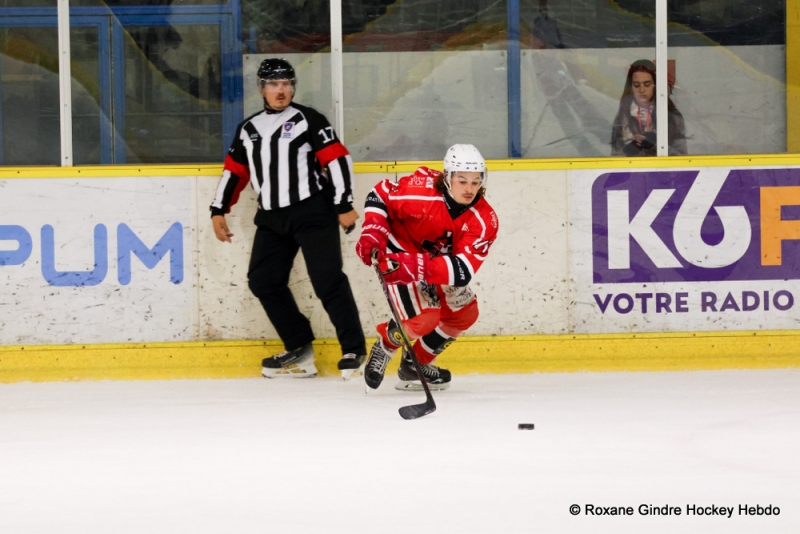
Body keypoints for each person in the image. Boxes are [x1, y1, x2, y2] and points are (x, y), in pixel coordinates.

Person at [210, 58, 366, 380]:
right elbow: (235, 172)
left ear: (293, 86)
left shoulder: (309, 119)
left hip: (313, 212)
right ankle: (300, 349)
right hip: (271, 216)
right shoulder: (248, 128)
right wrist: (218, 210)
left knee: (327, 280)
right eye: (273, 84)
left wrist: (343, 203)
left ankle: (353, 349)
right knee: (263, 281)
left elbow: (337, 160)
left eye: (286, 84)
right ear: (261, 89)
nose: (280, 90)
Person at [355, 144, 499, 391]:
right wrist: (373, 230)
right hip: (399, 253)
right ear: (448, 176)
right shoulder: (420, 190)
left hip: (434, 263)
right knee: (424, 320)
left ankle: (414, 364)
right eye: (462, 180)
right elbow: (380, 195)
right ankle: (386, 346)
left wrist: (419, 266)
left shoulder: (485, 219)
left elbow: (462, 270)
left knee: (464, 314)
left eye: (476, 182)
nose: (469, 189)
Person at [610, 59, 687, 157]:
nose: (641, 90)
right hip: (632, 171)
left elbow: (683, 158)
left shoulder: (671, 116)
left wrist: (657, 146)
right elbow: (614, 158)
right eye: (636, 85)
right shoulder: (622, 116)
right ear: (631, 87)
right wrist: (628, 151)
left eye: (647, 84)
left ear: (655, 85)